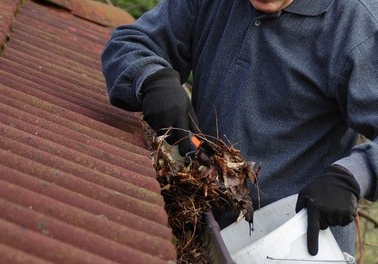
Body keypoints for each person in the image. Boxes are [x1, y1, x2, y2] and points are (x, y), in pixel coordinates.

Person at [101, 0, 378, 257]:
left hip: (298, 244)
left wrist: (353, 176)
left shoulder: (358, 23)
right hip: (200, 230)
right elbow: (130, 43)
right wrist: (151, 78)